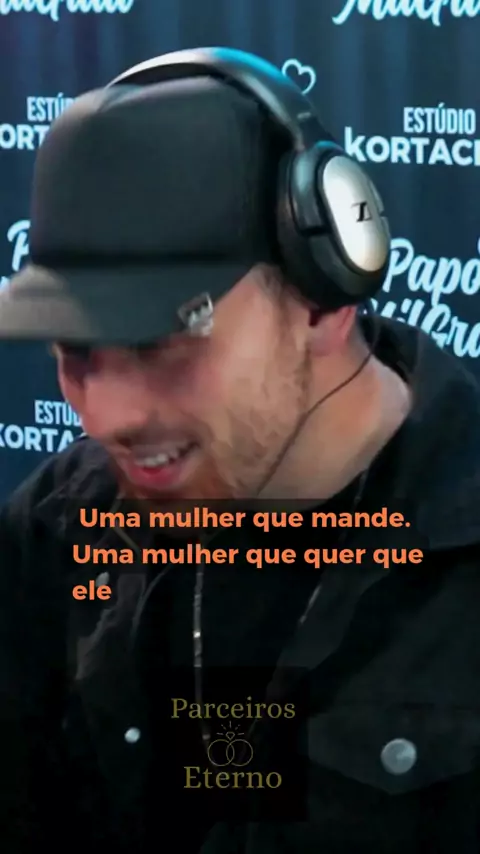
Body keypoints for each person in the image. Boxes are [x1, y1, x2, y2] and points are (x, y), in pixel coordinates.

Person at [0, 47, 479, 854]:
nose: (109, 416)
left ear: (321, 297)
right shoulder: (54, 530)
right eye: (76, 352)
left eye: (162, 342)